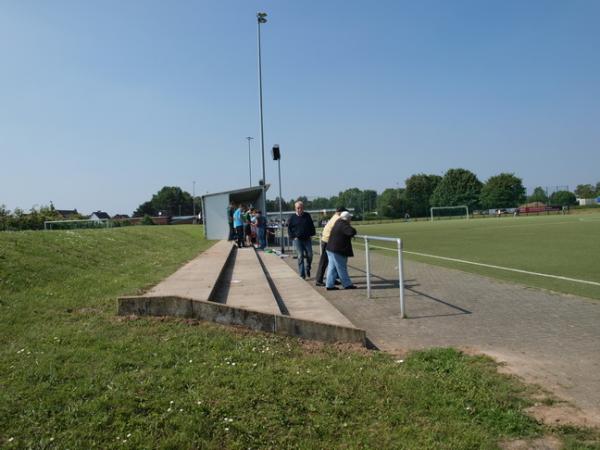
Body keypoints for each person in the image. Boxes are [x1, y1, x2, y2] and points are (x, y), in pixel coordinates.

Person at [315, 207, 347, 287]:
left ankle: (332, 279)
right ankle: (319, 280)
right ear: (340, 212)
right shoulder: (338, 219)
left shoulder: (334, 217)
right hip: (327, 241)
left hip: (326, 240)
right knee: (325, 261)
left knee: (331, 261)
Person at [325, 211, 357, 290]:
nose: (351, 220)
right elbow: (351, 232)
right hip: (337, 250)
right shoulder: (343, 224)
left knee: (331, 268)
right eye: (350, 218)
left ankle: (329, 285)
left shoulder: (338, 222)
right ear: (347, 218)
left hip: (330, 248)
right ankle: (347, 284)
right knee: (341, 268)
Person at [287, 201, 316, 279]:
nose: (300, 209)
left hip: (307, 239)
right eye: (298, 208)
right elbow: (289, 229)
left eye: (301, 208)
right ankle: (302, 274)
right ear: (295, 208)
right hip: (298, 240)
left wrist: (312, 234)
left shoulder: (307, 215)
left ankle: (308, 267)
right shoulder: (292, 217)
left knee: (310, 255)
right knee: (300, 256)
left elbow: (312, 226)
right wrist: (293, 237)